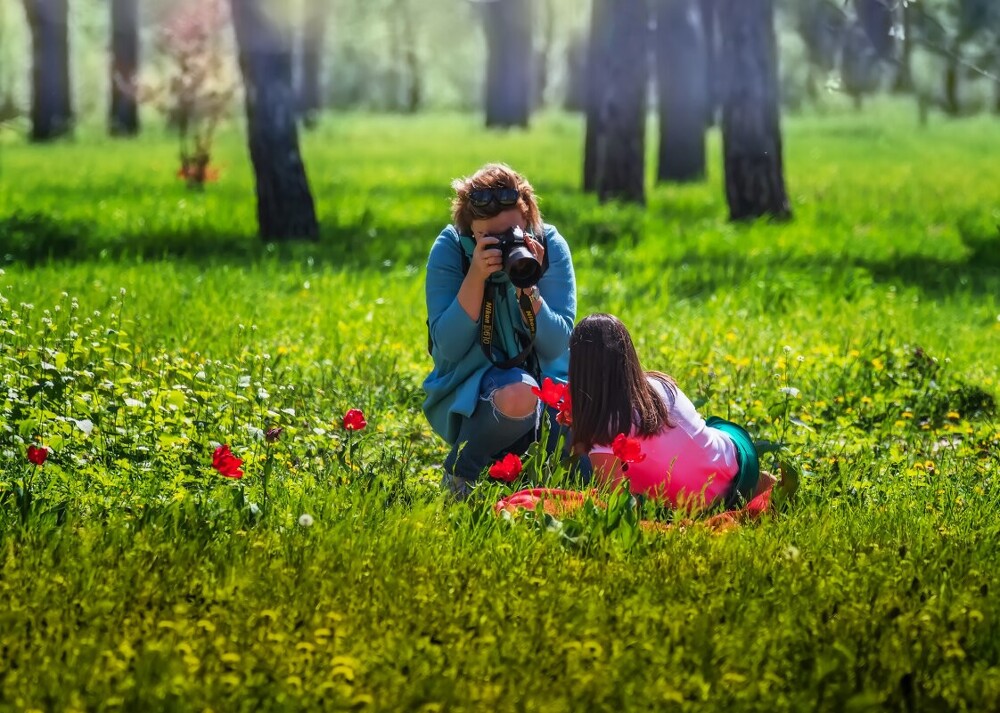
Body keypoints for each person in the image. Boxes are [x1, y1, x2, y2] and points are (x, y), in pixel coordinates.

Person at [423, 163, 581, 498]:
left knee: (599, 450)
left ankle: (524, 475)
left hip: (552, 395)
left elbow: (556, 345)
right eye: (488, 237)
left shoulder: (549, 246)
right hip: (481, 396)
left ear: (527, 219)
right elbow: (448, 348)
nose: (502, 245)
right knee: (519, 394)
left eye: (511, 234)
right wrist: (476, 276)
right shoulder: (451, 249)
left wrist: (528, 288)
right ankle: (461, 474)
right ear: (470, 230)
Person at [568, 313, 766, 512]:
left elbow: (620, 505)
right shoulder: (660, 385)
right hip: (741, 467)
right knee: (710, 427)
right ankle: (763, 485)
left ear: (579, 369)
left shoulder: (603, 429)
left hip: (699, 508)